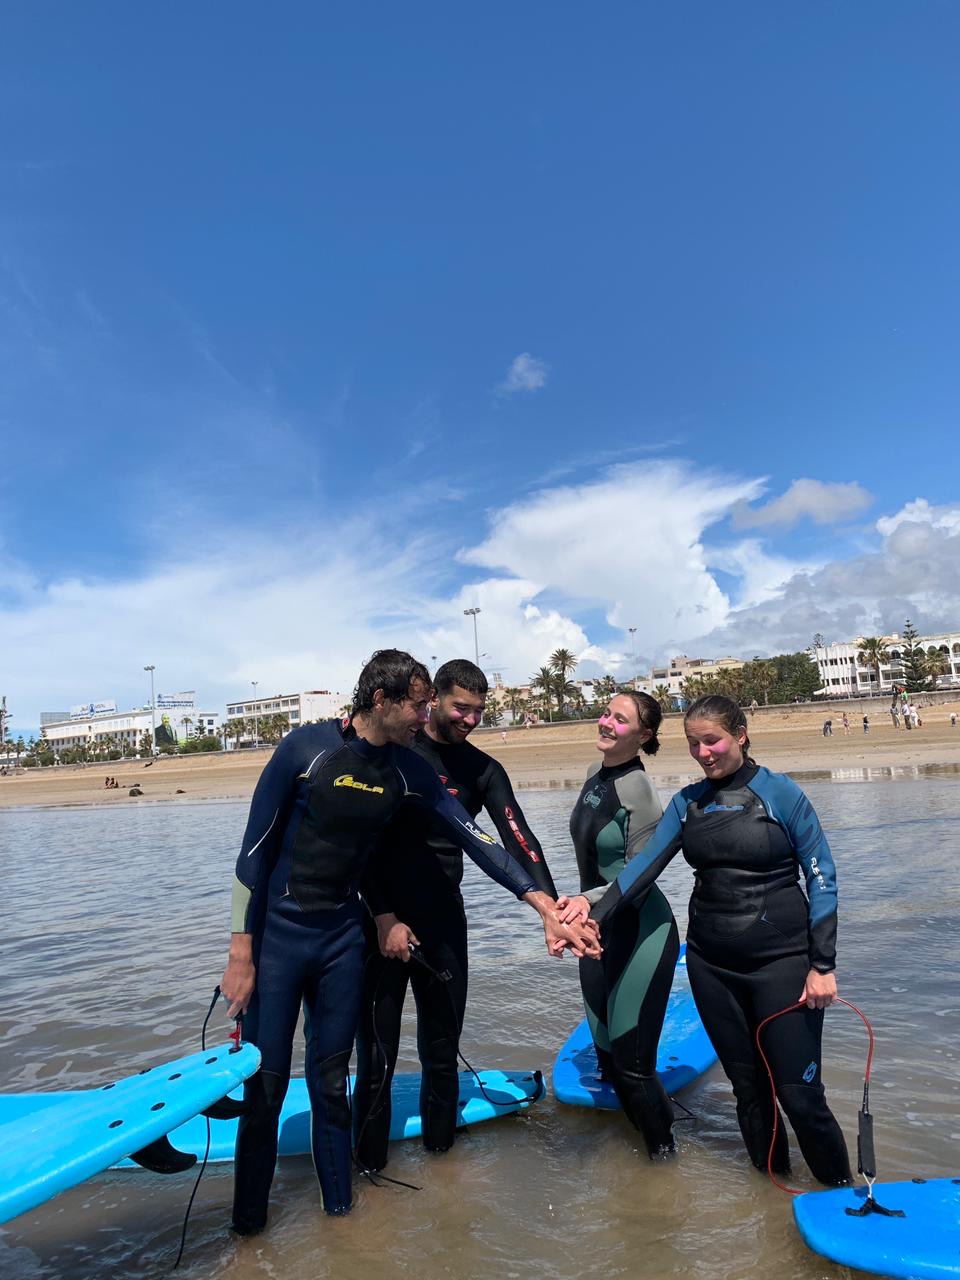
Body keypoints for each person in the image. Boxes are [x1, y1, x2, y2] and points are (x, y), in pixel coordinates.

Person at [220, 649, 598, 1234]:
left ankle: (342, 1225)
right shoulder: (305, 750)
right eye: (420, 704)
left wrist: (544, 906)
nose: (426, 716)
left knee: (330, 1082)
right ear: (382, 700)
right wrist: (240, 953)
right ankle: (248, 1232)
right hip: (278, 941)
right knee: (267, 1089)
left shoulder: (407, 771)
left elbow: (479, 841)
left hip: (342, 939)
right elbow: (253, 855)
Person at [563, 694, 851, 1186]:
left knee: (799, 1095)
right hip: (711, 965)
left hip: (782, 963)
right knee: (749, 1092)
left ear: (739, 735)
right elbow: (643, 867)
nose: (704, 752)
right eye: (694, 744)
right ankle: (771, 1196)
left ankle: (842, 1197)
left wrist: (822, 964)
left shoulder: (781, 795)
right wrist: (592, 909)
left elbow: (822, 878)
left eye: (712, 740)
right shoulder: (687, 803)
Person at [353, 660, 558, 1172]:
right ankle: (369, 1171)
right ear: (435, 700)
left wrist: (551, 907)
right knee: (375, 1056)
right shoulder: (397, 750)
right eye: (459, 707)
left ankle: (443, 1169)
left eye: (478, 711)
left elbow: (516, 838)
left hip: (443, 919)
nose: (468, 719)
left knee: (441, 1051)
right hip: (379, 923)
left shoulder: (483, 769)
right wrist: (383, 914)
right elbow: (361, 845)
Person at [556, 692, 679, 1157]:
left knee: (633, 1066)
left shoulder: (640, 791)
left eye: (620, 720)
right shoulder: (593, 775)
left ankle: (664, 1164)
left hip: (641, 931)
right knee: (606, 1058)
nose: (606, 722)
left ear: (643, 736)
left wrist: (582, 904)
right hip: (596, 931)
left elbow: (638, 880)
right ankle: (625, 1166)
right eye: (606, 713)